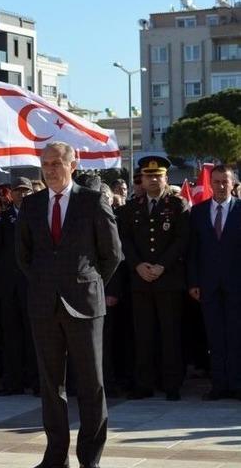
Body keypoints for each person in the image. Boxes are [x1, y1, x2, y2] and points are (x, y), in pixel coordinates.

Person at [16, 141, 122, 468]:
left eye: (56, 164)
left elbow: (112, 254)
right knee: (51, 386)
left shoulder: (92, 202)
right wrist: (46, 282)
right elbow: (24, 255)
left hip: (85, 306)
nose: (49, 170)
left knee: (91, 385)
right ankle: (55, 455)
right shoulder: (32, 205)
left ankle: (89, 457)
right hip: (44, 305)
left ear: (71, 165)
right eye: (45, 164)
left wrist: (88, 283)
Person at [120, 156, 188, 401]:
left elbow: (182, 240)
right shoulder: (132, 207)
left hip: (168, 280)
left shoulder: (177, 206)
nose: (153, 180)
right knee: (143, 335)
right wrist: (138, 265)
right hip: (140, 281)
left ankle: (172, 384)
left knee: (170, 334)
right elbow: (125, 240)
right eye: (148, 176)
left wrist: (161, 266)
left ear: (166, 178)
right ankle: (144, 384)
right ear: (142, 179)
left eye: (157, 176)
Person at [188, 165, 241, 401]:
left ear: (233, 184)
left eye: (224, 182)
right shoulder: (198, 212)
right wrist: (194, 282)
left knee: (236, 336)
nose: (220, 186)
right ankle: (218, 385)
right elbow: (193, 251)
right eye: (216, 181)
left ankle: (237, 384)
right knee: (215, 337)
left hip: (236, 285)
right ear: (211, 183)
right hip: (208, 286)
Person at [0, 177, 38, 397]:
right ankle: (13, 381)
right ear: (11, 193)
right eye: (18, 190)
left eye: (26, 190)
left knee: (34, 335)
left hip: (31, 283)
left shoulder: (39, 215)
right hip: (9, 285)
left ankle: (37, 381)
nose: (22, 194)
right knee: (11, 335)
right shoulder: (4, 217)